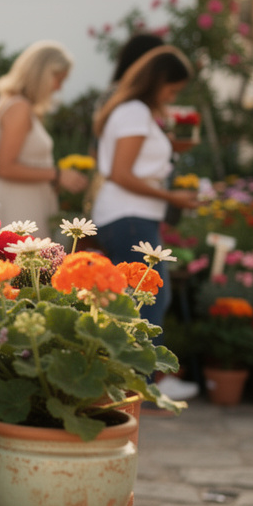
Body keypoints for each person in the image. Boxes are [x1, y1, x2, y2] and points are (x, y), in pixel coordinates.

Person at [91, 45, 200, 329]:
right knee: (144, 309)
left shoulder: (133, 111)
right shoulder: (134, 112)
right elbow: (121, 173)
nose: (171, 98)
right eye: (172, 90)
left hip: (130, 217)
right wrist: (170, 196)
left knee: (143, 303)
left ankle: (139, 372)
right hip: (128, 217)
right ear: (157, 82)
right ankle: (141, 374)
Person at [0, 41, 87, 237]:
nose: (58, 88)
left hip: (21, 201)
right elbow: (5, 167)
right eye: (59, 79)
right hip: (18, 206)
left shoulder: (15, 104)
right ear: (43, 74)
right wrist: (57, 174)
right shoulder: (18, 107)